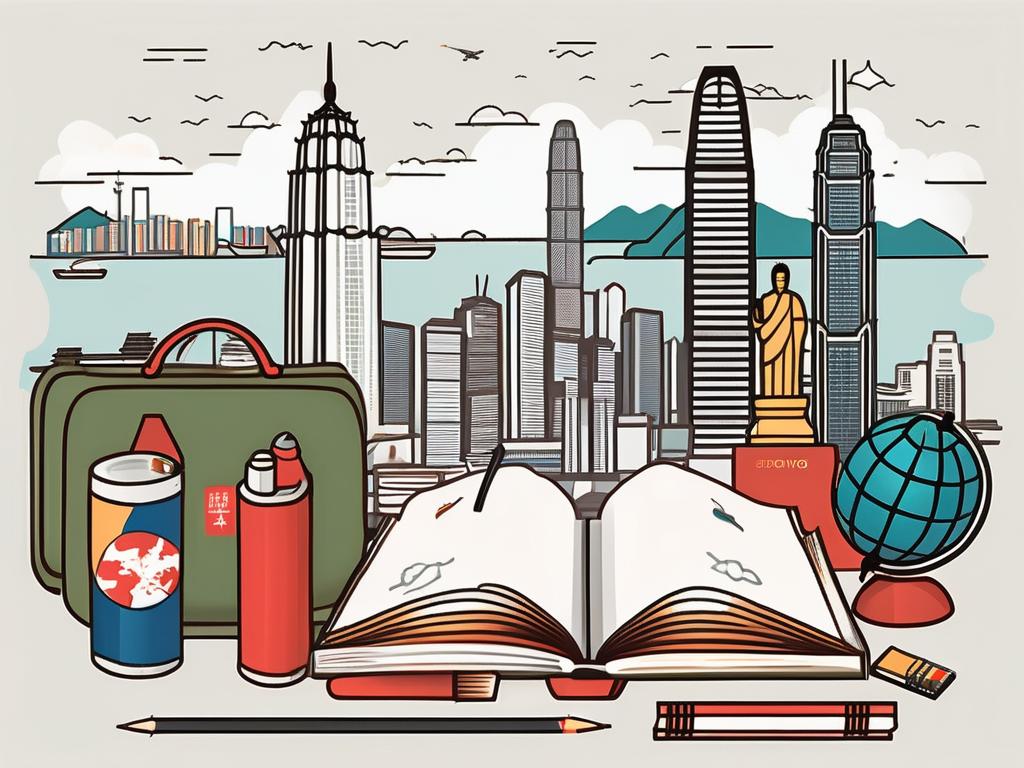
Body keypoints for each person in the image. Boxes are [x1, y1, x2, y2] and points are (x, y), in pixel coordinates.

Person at [751, 263, 807, 397]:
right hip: (770, 347)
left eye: (783, 280)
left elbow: (801, 324)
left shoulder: (793, 300)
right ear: (773, 280)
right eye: (778, 280)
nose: (780, 283)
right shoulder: (767, 300)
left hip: (789, 348)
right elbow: (761, 326)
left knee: (788, 378)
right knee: (771, 380)